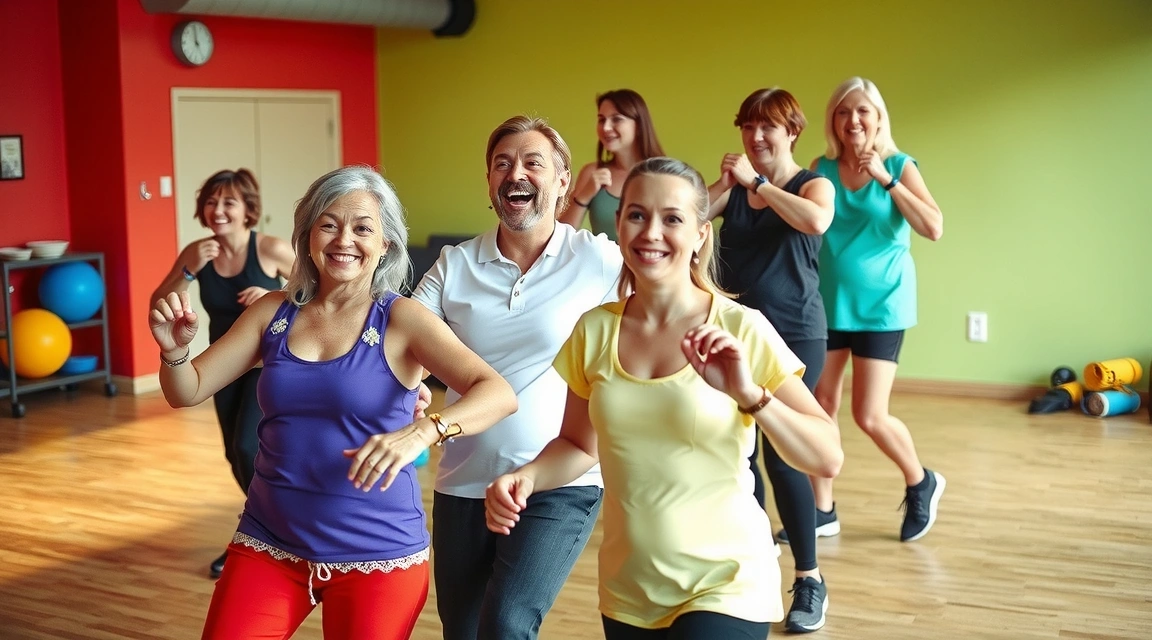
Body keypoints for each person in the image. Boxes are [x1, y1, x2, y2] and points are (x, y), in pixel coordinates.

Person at [148, 165, 517, 639]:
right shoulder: (272, 312)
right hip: (269, 542)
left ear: (385, 244)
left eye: (363, 228)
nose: (344, 240)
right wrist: (174, 351)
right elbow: (187, 390)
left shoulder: (402, 319)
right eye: (329, 224)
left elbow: (497, 392)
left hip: (377, 553)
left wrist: (424, 431)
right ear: (307, 237)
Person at [486, 157, 844, 640]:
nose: (651, 232)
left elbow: (827, 456)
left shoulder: (741, 328)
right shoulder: (594, 331)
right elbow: (578, 446)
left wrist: (750, 394)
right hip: (629, 588)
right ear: (619, 223)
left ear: (700, 233)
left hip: (727, 582)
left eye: (672, 218)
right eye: (637, 214)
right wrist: (526, 477)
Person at [411, 115, 622, 640]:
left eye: (533, 162)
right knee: (462, 630)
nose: (516, 174)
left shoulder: (598, 259)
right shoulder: (455, 264)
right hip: (464, 479)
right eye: (502, 164)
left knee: (506, 624)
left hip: (560, 482)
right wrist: (407, 386)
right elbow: (405, 340)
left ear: (562, 181)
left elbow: (664, 305)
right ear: (489, 181)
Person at [707, 88, 836, 633]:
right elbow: (688, 218)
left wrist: (758, 184)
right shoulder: (735, 189)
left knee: (785, 458)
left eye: (768, 127)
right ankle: (760, 553)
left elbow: (817, 221)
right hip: (736, 336)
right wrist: (725, 185)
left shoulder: (812, 184)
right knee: (741, 454)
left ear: (792, 132)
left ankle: (809, 578)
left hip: (797, 335)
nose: (756, 137)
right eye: (748, 126)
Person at [810, 77, 946, 542]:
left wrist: (887, 181)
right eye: (843, 111)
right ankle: (822, 509)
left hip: (883, 304)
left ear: (878, 117)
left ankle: (920, 480)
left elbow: (933, 227)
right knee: (820, 405)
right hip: (829, 302)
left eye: (862, 110)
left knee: (869, 415)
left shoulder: (899, 166)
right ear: (833, 120)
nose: (853, 120)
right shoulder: (822, 169)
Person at [150, 168, 295, 579]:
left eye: (229, 202)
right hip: (222, 365)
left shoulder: (269, 249)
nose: (218, 210)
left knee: (249, 448)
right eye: (211, 202)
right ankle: (274, 531)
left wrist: (274, 296)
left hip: (268, 363)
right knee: (235, 453)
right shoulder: (199, 252)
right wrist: (189, 272)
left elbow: (318, 292)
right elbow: (159, 302)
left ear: (248, 210)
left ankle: (267, 535)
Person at [558, 89, 665, 240]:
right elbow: (560, 236)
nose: (606, 127)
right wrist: (584, 196)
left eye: (617, 119)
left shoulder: (663, 175)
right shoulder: (591, 172)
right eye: (602, 120)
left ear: (639, 125)